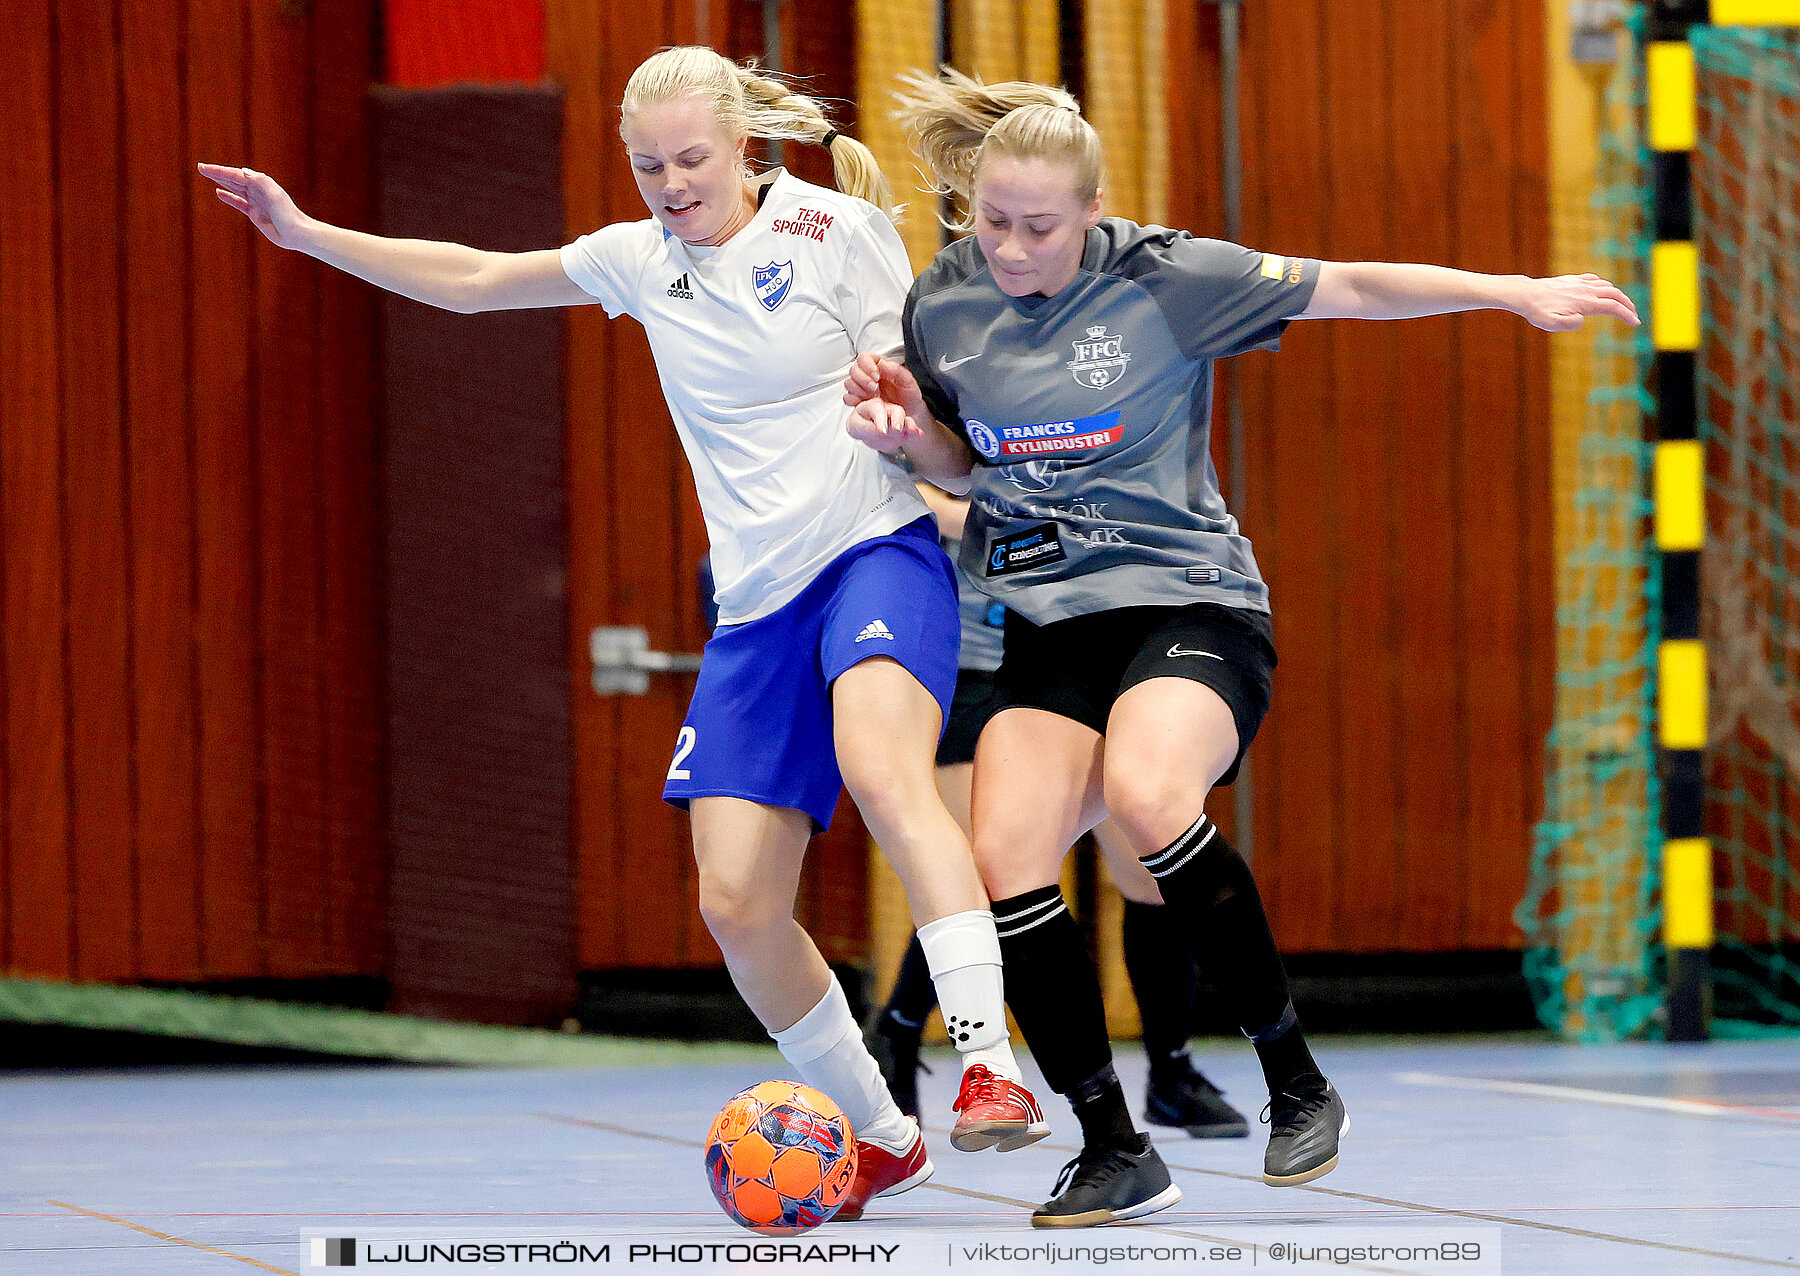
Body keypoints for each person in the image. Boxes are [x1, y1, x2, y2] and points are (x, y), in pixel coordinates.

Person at [200, 46, 1050, 1223]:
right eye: (647, 163)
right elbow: (475, 275)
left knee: (883, 767)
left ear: (742, 145)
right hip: (756, 606)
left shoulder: (833, 230)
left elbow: (911, 388)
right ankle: (882, 1132)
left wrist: (897, 410)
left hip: (876, 550)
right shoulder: (638, 262)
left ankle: (990, 1066)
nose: (670, 182)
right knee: (737, 906)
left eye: (691, 158)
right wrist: (309, 236)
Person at [844, 68, 1638, 1228]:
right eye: (991, 220)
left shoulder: (1168, 277)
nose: (1010, 246)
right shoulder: (945, 302)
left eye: (1040, 227)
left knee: (1150, 794)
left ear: (1094, 210)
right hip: (1054, 620)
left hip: (1189, 603)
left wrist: (1513, 291)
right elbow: (972, 468)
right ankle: (1112, 1143)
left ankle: (1295, 1078)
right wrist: (916, 437)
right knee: (1003, 848)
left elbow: (1354, 283)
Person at [867, 485, 1248, 1140]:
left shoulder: (1056, 427)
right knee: (982, 881)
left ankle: (1171, 1070)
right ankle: (896, 1037)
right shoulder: (923, 423)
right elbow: (918, 504)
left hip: (1078, 662)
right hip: (973, 671)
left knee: (1152, 873)